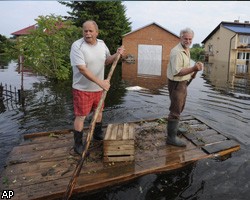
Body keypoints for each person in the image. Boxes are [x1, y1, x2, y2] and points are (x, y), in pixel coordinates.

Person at [70, 20, 124, 155]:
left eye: (90, 31)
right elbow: (82, 69)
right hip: (82, 89)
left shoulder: (101, 44)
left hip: (99, 89)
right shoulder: (77, 46)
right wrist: (101, 82)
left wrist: (117, 54)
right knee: (81, 116)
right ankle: (78, 144)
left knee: (99, 112)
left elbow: (106, 60)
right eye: (85, 31)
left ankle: (97, 134)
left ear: (96, 32)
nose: (87, 34)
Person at [166, 27, 203, 147]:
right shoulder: (177, 52)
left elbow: (185, 67)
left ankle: (175, 129)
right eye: (185, 38)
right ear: (180, 37)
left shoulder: (186, 49)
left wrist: (194, 71)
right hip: (176, 83)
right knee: (175, 110)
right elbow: (177, 72)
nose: (188, 41)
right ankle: (171, 138)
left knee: (180, 106)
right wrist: (193, 68)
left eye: (190, 39)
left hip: (182, 83)